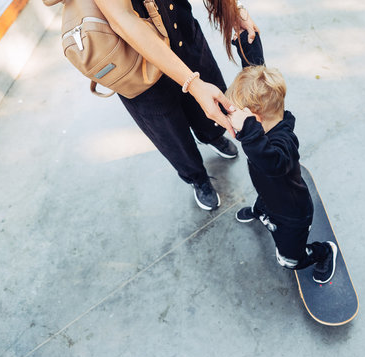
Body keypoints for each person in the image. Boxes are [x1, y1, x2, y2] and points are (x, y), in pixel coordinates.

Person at [93, 0, 260, 210]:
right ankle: (197, 178)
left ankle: (212, 136)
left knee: (210, 106)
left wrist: (233, 10)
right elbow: (122, 19)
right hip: (136, 64)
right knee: (170, 132)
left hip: (181, 29)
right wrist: (192, 83)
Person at [226, 66, 337, 283]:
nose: (232, 121)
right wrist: (249, 45)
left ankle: (323, 252)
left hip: (291, 213)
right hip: (269, 196)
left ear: (254, 119)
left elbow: (272, 163)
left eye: (235, 116)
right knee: (264, 201)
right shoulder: (263, 128)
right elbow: (257, 77)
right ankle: (261, 212)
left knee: (289, 261)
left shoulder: (284, 142)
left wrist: (247, 131)